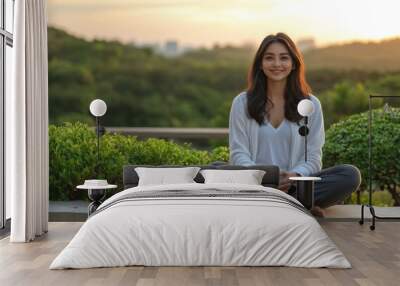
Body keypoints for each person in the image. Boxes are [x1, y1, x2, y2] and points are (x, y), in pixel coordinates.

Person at [228, 33, 361, 216]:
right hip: (254, 184)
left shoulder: (310, 104)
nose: (277, 64)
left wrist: (294, 176)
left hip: (294, 186)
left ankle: (280, 204)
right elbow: (238, 154)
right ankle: (296, 207)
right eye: (269, 58)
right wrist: (266, 177)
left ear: (293, 64)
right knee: (213, 169)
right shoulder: (242, 103)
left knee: (349, 175)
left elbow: (313, 157)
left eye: (284, 58)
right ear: (260, 63)